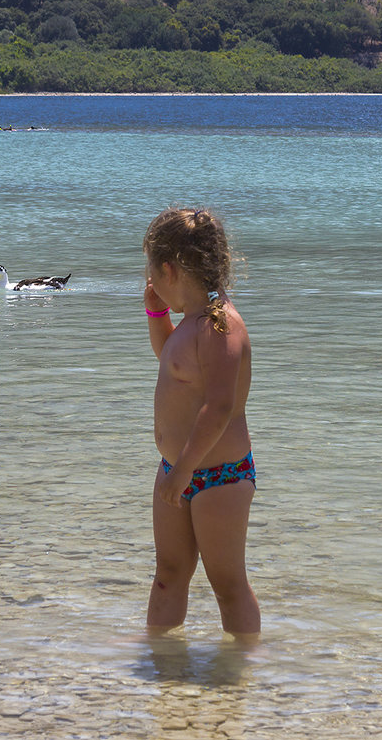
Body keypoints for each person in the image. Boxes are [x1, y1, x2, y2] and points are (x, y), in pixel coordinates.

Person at [142, 207, 260, 638]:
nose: (149, 280)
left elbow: (218, 406)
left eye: (151, 272)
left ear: (170, 270)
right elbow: (173, 364)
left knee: (227, 585)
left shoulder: (219, 325)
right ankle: (160, 661)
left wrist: (187, 467)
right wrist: (157, 316)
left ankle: (243, 667)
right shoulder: (193, 320)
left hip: (218, 475)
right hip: (177, 469)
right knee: (167, 574)